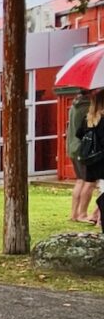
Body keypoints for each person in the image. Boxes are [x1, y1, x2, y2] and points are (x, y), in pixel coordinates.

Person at [68, 91, 97, 224]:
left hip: (73, 147)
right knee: (89, 182)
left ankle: (74, 213)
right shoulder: (88, 107)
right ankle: (83, 213)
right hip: (84, 149)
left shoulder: (74, 105)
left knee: (80, 180)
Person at [77, 91, 104, 223]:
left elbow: (79, 134)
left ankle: (86, 213)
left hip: (90, 158)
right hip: (102, 158)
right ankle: (99, 218)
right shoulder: (103, 119)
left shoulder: (88, 118)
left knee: (89, 184)